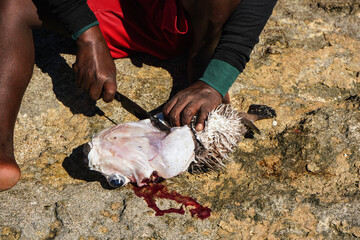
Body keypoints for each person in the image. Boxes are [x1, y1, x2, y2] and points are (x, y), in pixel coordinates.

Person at [0, 0, 277, 191]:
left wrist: (214, 82)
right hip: (123, 11)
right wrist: (86, 31)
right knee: (13, 5)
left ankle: (202, 67)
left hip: (186, 23)